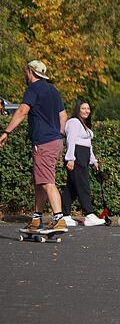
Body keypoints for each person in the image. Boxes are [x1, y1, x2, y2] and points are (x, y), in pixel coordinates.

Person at [0, 60, 68, 233]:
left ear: (30, 71)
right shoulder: (53, 90)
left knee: (47, 182)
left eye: (26, 71)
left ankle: (59, 219)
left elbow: (22, 111)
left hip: (44, 142)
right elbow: (63, 115)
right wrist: (59, 135)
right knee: (40, 180)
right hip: (54, 141)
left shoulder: (33, 89)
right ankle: (37, 219)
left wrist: (6, 132)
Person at [61, 100, 106, 227]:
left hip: (84, 156)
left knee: (72, 188)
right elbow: (71, 140)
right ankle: (89, 214)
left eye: (88, 108)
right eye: (83, 108)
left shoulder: (84, 124)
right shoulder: (74, 122)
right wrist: (70, 158)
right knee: (83, 185)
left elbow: (88, 145)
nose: (86, 111)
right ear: (78, 109)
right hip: (76, 156)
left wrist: (94, 160)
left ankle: (65, 215)